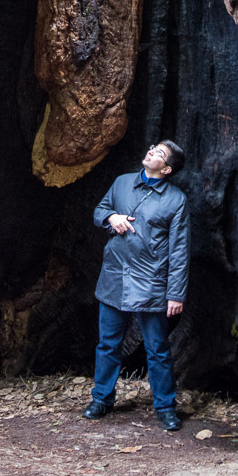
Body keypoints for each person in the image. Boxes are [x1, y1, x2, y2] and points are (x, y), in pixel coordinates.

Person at [82, 141, 189, 432]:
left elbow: (179, 250)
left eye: (160, 153)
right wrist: (111, 217)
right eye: (154, 147)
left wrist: (175, 294)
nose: (152, 151)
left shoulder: (176, 200)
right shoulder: (121, 183)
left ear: (166, 169)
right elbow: (99, 210)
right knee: (107, 345)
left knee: (157, 349)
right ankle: (101, 400)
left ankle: (166, 407)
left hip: (152, 283)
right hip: (115, 277)